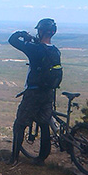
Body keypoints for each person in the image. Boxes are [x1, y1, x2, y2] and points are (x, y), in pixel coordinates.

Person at [7, 18, 61, 166]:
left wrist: (23, 34)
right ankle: (41, 159)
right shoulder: (55, 51)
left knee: (20, 124)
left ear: (40, 31)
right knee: (44, 123)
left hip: (33, 93)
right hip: (48, 93)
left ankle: (14, 159)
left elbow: (12, 40)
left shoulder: (34, 49)